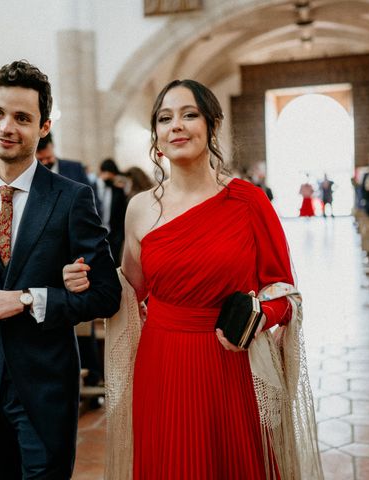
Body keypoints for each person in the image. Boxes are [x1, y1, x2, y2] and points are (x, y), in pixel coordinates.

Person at [63, 79, 322, 479]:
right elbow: (129, 292)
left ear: (212, 125)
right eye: (165, 118)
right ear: (156, 135)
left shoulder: (249, 201)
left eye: (189, 114)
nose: (176, 126)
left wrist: (258, 315)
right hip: (161, 363)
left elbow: (287, 294)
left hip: (229, 360)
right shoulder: (139, 209)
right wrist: (82, 279)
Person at [0, 60, 121, 480]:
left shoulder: (71, 199)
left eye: (22, 117)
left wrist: (27, 299)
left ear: (44, 125)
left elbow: (107, 293)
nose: (6, 126)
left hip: (46, 386)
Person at [97, 158, 127, 263]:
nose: (106, 177)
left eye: (109, 174)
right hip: (99, 233)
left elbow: (122, 213)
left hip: (114, 234)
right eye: (104, 173)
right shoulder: (95, 189)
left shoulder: (119, 191)